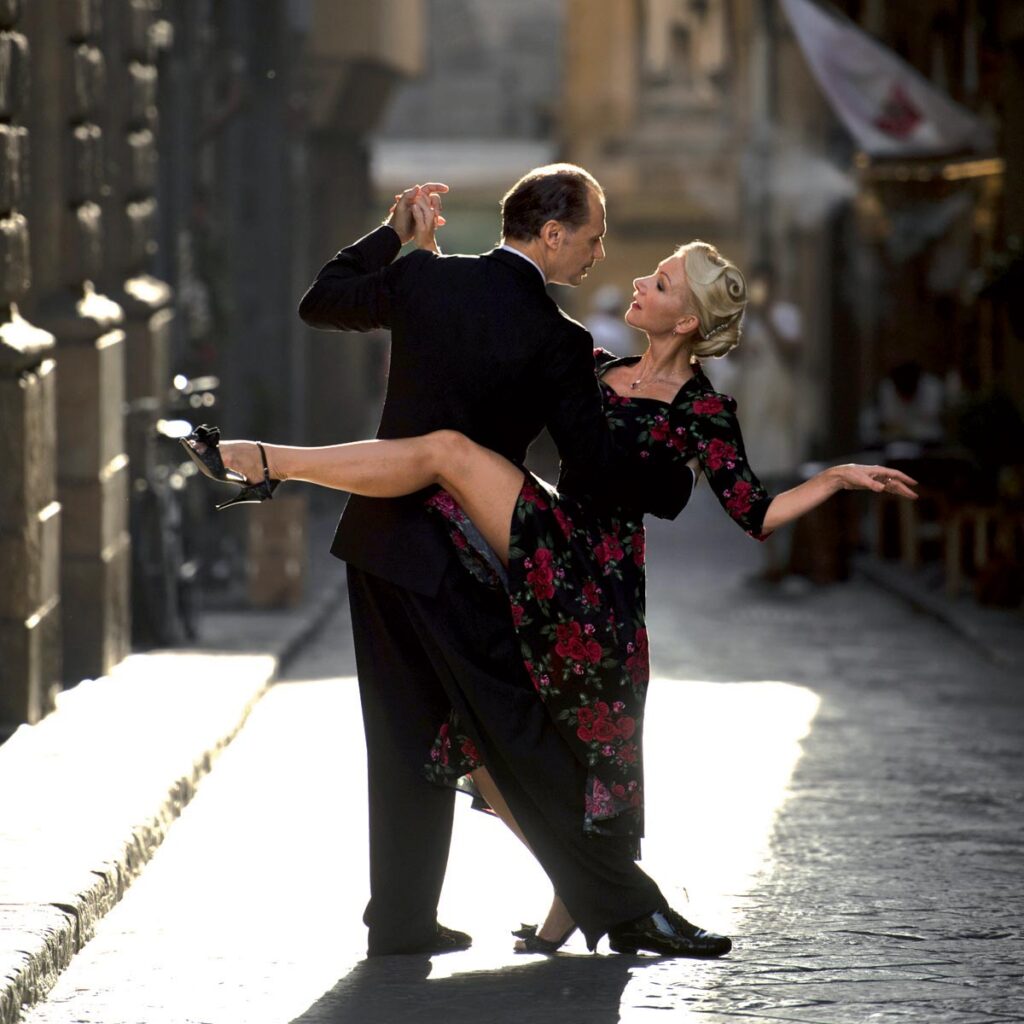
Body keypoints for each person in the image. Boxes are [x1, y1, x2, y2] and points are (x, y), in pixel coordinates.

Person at [187, 201, 918, 955]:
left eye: (661, 282)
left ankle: (265, 461)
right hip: (549, 542)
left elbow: (755, 512)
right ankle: (264, 460)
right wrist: (430, 268)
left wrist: (833, 479)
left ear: (686, 320)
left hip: (598, 581)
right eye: (640, 266)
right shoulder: (592, 364)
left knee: (588, 751)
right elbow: (481, 354)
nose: (635, 278)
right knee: (450, 480)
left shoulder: (705, 407)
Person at [286, 163, 713, 959]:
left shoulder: (425, 280)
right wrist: (674, 478)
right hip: (461, 556)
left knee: (404, 730)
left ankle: (402, 921)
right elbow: (593, 466)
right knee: (516, 728)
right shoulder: (558, 337)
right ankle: (627, 906)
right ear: (551, 234)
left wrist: (392, 236)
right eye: (591, 238)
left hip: (378, 536)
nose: (596, 254)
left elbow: (323, 300)